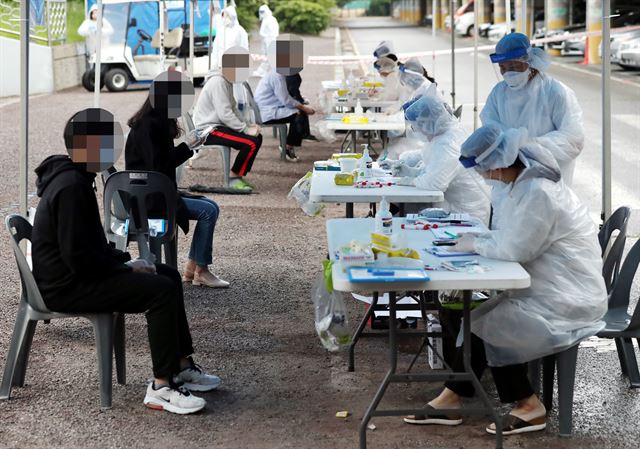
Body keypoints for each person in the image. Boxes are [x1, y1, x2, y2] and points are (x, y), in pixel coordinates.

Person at [404, 124, 607, 435]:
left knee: (488, 325)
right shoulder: (523, 185)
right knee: (480, 318)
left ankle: (528, 406)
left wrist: (474, 243)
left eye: (484, 169)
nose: (484, 176)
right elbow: (512, 235)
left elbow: (516, 248)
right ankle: (452, 398)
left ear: (497, 164)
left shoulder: (538, 192)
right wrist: (480, 239)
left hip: (567, 297)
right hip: (548, 285)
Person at [32, 109, 222, 415]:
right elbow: (79, 258)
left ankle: (181, 364)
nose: (114, 148)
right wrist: (125, 268)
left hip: (76, 275)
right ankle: (162, 387)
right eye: (108, 142)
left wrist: (126, 261)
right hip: (66, 286)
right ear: (88, 146)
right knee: (159, 291)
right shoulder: (71, 187)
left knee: (168, 275)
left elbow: (87, 247)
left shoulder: (76, 176)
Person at [126, 79, 229, 288]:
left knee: (211, 207)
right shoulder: (149, 125)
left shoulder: (153, 120)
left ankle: (194, 267)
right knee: (208, 211)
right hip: (151, 200)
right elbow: (160, 165)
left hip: (153, 193)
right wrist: (187, 146)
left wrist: (188, 146)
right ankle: (201, 270)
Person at [481, 32, 584, 186]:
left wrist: (530, 146)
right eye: (503, 67)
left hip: (549, 183)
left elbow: (573, 140)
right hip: (509, 184)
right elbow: (490, 129)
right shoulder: (499, 93)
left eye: (513, 66)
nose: (508, 73)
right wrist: (508, 147)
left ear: (529, 61)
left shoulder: (555, 92)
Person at [380, 94, 490, 223]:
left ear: (427, 123)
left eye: (416, 125)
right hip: (455, 207)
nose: (415, 130)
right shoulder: (447, 132)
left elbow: (435, 183)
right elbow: (429, 158)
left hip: (465, 216)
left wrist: (410, 180)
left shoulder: (448, 144)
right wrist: (405, 165)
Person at [194, 63, 263, 192]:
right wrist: (245, 130)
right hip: (207, 130)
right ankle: (234, 178)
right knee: (251, 142)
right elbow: (225, 114)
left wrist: (248, 125)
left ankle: (238, 174)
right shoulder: (218, 82)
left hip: (217, 126)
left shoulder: (225, 81)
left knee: (257, 138)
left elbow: (233, 108)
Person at [254, 67, 315, 162]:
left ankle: (289, 144)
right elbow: (285, 100)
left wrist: (299, 104)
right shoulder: (277, 77)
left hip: (269, 107)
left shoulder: (276, 73)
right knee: (299, 114)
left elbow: (285, 97)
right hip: (267, 112)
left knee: (298, 110)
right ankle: (287, 147)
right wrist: (303, 107)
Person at [286, 73, 317, 142]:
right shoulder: (291, 77)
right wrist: (302, 106)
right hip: (275, 108)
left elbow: (294, 92)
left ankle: (302, 135)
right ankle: (292, 142)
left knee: (300, 107)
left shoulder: (290, 76)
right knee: (299, 111)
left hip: (276, 103)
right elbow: (291, 93)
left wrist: (300, 100)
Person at [253, 4, 279, 77]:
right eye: (260, 12)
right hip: (266, 40)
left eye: (262, 12)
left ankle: (268, 72)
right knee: (265, 57)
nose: (261, 14)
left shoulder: (271, 19)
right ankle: (262, 71)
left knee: (270, 57)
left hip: (270, 40)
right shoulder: (265, 19)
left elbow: (273, 32)